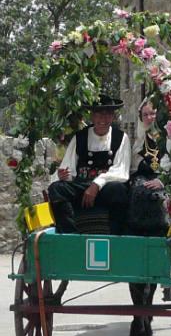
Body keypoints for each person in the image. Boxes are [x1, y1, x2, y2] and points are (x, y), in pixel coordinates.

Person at [47, 94, 131, 235]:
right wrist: (64, 176)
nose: (103, 119)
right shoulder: (79, 137)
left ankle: (116, 236)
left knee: (119, 190)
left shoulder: (121, 138)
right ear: (92, 116)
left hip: (106, 190)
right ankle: (70, 235)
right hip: (81, 189)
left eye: (107, 115)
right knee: (57, 189)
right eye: (99, 114)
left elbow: (121, 171)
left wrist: (97, 184)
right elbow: (69, 169)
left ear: (112, 117)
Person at [126, 98, 170, 336]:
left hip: (159, 190)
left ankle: (143, 316)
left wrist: (162, 182)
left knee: (157, 206)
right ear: (140, 114)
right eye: (146, 113)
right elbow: (127, 166)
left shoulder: (167, 137)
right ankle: (140, 318)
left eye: (153, 113)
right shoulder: (133, 138)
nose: (150, 116)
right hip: (136, 189)